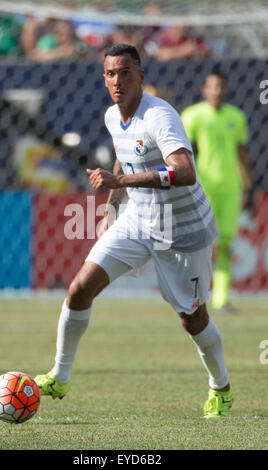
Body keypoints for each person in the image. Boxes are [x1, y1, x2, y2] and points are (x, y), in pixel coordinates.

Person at [35, 44, 234, 418]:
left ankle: (220, 386)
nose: (117, 81)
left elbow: (185, 171)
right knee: (79, 290)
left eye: (125, 73)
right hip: (138, 219)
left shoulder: (160, 117)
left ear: (141, 77)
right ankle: (60, 375)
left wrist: (121, 179)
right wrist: (112, 204)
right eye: (110, 74)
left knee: (193, 319)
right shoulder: (113, 116)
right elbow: (123, 153)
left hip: (183, 231)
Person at [181, 71, 253, 312]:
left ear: (226, 89)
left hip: (231, 188)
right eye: (213, 87)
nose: (217, 91)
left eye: (221, 87)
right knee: (200, 244)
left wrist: (249, 187)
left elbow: (242, 153)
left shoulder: (237, 117)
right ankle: (194, 294)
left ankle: (221, 298)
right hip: (204, 188)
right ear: (205, 89)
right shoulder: (193, 116)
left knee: (225, 244)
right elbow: (185, 154)